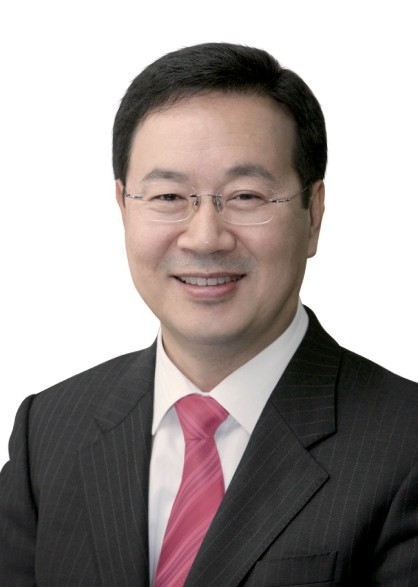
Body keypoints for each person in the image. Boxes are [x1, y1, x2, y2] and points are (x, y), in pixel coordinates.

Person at [1, 42, 417, 587]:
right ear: (123, 206)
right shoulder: (49, 429)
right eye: (169, 196)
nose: (204, 238)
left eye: (245, 196)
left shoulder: (405, 444)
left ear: (313, 214)